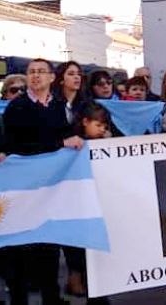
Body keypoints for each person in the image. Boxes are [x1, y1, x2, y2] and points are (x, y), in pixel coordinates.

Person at [1, 59, 83, 305]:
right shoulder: (17, 107)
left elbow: (64, 135)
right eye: (31, 72)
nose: (36, 76)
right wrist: (60, 144)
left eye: (41, 72)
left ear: (51, 78)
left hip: (52, 188)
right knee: (23, 251)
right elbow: (17, 147)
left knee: (49, 247)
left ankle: (52, 297)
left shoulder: (58, 105)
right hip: (26, 189)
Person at [64, 103, 112, 304]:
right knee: (83, 255)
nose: (102, 130)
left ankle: (99, 295)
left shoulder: (105, 144)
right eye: (98, 125)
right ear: (85, 122)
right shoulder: (74, 145)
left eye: (104, 126)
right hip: (78, 208)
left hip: (98, 205)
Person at [52, 61, 86, 127]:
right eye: (71, 74)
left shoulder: (86, 103)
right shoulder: (51, 103)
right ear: (61, 80)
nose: (77, 77)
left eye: (79, 74)